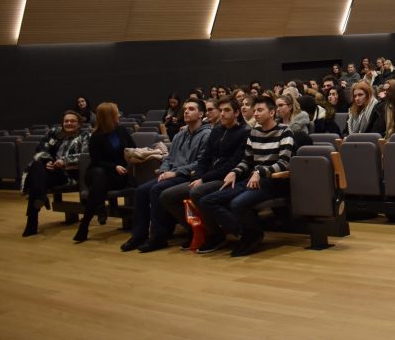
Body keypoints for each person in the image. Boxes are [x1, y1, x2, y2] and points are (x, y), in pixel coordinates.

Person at [197, 96, 295, 257]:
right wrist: (234, 172)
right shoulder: (254, 132)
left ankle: (250, 235)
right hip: (252, 179)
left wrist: (259, 172)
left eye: (260, 110)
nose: (255, 113)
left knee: (236, 203)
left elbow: (284, 163)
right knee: (207, 200)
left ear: (272, 112)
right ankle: (245, 232)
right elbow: (246, 160)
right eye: (255, 110)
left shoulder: (285, 131)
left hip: (273, 181)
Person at [158, 97, 251, 253]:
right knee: (166, 195)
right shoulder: (217, 131)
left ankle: (215, 234)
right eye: (220, 110)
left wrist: (203, 179)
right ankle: (197, 230)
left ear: (236, 113)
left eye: (227, 110)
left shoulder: (244, 133)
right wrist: (197, 177)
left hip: (229, 178)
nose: (222, 114)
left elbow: (232, 164)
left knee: (197, 192)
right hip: (207, 177)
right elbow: (204, 159)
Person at [122, 98, 213, 252]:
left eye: (191, 109)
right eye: (185, 109)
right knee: (141, 191)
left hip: (187, 175)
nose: (186, 111)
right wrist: (164, 171)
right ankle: (138, 235)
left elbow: (201, 163)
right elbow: (169, 158)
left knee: (156, 190)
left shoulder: (207, 134)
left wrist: (175, 172)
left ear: (201, 114)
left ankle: (158, 237)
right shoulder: (179, 135)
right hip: (171, 174)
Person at [21, 111, 89, 237]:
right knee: (37, 165)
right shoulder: (54, 133)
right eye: (66, 121)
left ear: (79, 124)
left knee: (36, 181)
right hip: (51, 171)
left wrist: (64, 161)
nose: (68, 123)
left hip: (69, 174)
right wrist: (48, 162)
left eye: (72, 121)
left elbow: (85, 156)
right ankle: (41, 196)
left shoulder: (84, 135)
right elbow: (41, 149)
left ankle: (32, 222)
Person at [74, 102, 134, 243]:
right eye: (116, 112)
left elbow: (133, 148)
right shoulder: (96, 136)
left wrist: (126, 160)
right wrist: (114, 166)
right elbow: (96, 161)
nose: (119, 114)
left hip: (116, 176)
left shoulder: (122, 131)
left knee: (98, 185)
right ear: (109, 116)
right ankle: (95, 211)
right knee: (99, 174)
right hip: (98, 172)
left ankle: (86, 223)